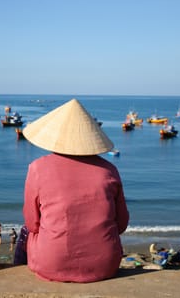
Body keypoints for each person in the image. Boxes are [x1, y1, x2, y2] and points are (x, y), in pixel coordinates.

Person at [21, 98, 130, 283]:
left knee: (26, 233)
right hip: (105, 264)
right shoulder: (109, 171)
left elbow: (33, 224)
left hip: (51, 263)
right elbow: (121, 224)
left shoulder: (38, 168)